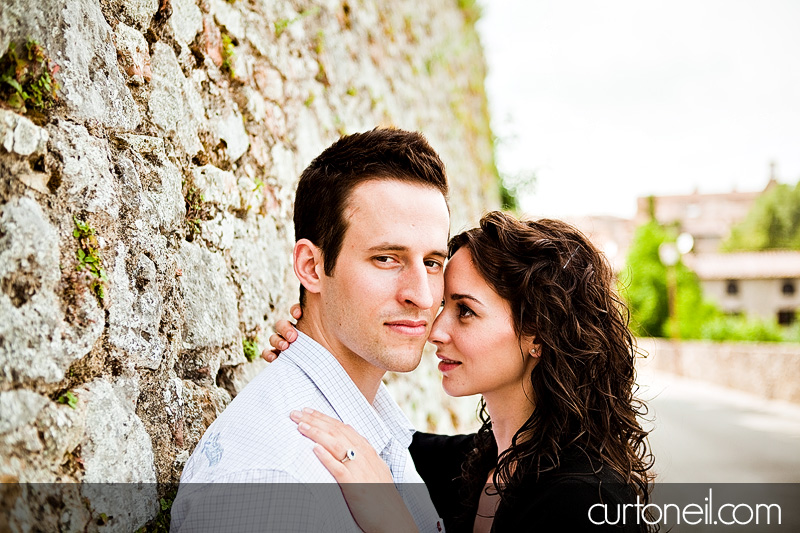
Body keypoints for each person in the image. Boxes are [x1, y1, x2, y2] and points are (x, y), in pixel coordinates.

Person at [270, 211, 655, 532]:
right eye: (443, 306)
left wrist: (394, 523)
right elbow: (385, 441)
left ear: (538, 333)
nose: (436, 331)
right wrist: (323, 342)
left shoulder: (592, 501)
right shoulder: (474, 465)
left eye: (465, 311)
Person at [171, 128, 451, 532]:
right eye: (387, 258)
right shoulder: (278, 484)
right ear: (311, 267)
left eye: (432, 262)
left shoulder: (376, 430)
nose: (422, 297)